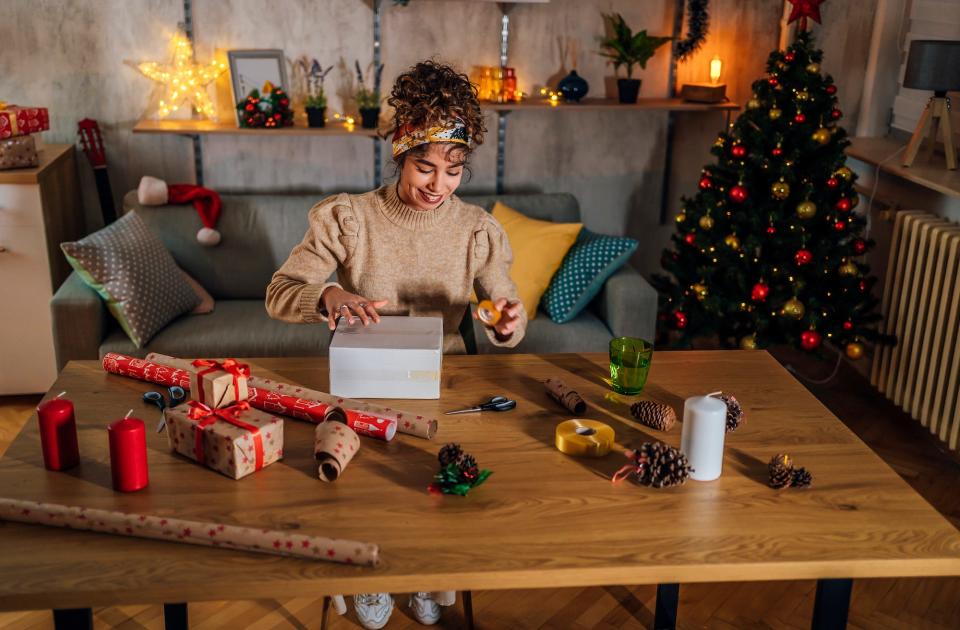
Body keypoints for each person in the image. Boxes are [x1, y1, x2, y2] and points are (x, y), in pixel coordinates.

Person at [265, 61, 526, 628]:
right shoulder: (351, 218)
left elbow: (506, 308)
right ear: (400, 155)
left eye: (453, 171)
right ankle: (365, 578)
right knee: (369, 490)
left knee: (438, 484)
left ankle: (428, 574)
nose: (439, 186)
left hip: (441, 381)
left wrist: (507, 323)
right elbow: (280, 293)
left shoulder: (476, 229)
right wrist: (330, 296)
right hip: (364, 384)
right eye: (424, 167)